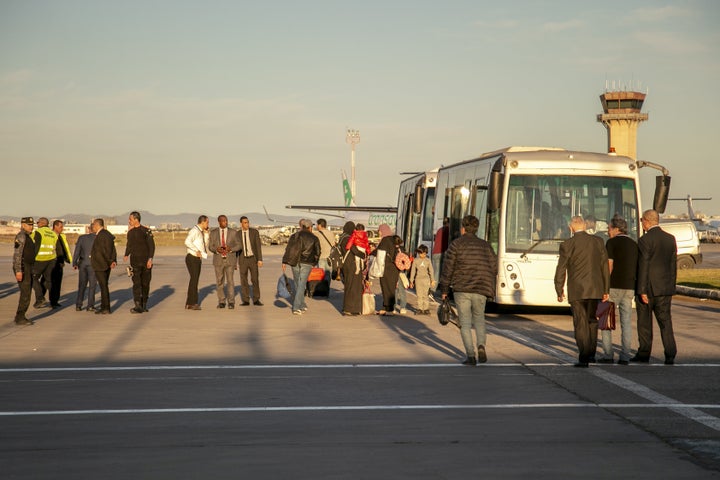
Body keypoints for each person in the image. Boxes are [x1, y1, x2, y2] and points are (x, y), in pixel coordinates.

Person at [439, 215, 498, 365]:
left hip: (461, 288)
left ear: (463, 228)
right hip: (481, 289)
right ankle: (481, 346)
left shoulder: (456, 245)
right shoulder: (486, 246)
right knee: (479, 319)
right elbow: (494, 268)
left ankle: (471, 356)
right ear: (476, 228)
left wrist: (444, 289)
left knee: (464, 323)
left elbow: (448, 268)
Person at [554, 215, 609, 368]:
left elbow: (561, 268)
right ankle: (591, 354)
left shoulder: (567, 244)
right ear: (585, 227)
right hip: (595, 288)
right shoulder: (598, 242)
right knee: (592, 321)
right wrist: (606, 289)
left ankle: (583, 356)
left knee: (580, 322)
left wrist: (559, 289)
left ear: (571, 228)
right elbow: (604, 266)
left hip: (577, 290)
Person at [632, 209, 678, 365]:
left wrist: (641, 290)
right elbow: (673, 266)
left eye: (641, 221)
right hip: (665, 289)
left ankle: (644, 353)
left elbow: (643, 266)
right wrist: (671, 286)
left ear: (646, 221)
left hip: (649, 289)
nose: (642, 224)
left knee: (645, 323)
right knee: (665, 322)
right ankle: (670, 353)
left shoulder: (645, 240)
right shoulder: (670, 239)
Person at [599, 215, 638, 365]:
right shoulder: (634, 244)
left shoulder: (611, 243)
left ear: (616, 229)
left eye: (609, 228)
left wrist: (604, 287)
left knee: (606, 321)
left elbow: (609, 266)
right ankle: (625, 356)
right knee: (626, 322)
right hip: (629, 287)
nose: (607, 231)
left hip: (613, 286)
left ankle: (608, 354)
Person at [281, 219, 321, 315]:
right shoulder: (314, 238)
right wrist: (314, 262)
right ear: (310, 227)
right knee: (301, 284)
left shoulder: (294, 236)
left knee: (297, 283)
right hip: (306, 263)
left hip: (294, 262)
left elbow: (288, 249)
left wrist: (284, 261)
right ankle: (296, 307)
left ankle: (302, 304)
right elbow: (318, 252)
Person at [124, 211, 156, 314]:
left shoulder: (146, 231)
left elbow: (151, 246)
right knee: (136, 283)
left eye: (130, 219)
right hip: (135, 262)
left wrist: (150, 259)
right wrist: (126, 254)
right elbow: (129, 245)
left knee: (145, 283)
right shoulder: (130, 232)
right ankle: (137, 305)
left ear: (136, 219)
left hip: (146, 262)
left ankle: (144, 304)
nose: (129, 221)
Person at [208, 214, 240, 309]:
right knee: (219, 281)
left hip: (230, 260)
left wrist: (231, 249)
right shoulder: (213, 233)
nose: (225, 222)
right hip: (218, 260)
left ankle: (231, 302)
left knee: (230, 281)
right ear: (219, 222)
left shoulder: (233, 232)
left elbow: (239, 245)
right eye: (223, 221)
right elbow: (210, 246)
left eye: (226, 220)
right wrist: (217, 250)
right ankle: (221, 301)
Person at [90, 218, 117, 315]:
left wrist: (110, 260)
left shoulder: (102, 235)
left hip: (101, 265)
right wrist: (113, 260)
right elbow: (112, 249)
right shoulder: (107, 234)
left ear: (97, 225)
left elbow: (106, 250)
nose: (92, 227)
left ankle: (105, 307)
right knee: (104, 286)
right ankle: (104, 306)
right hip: (104, 264)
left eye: (93, 225)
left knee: (103, 286)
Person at [13, 217, 36, 325]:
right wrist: (18, 270)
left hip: (28, 267)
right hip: (23, 267)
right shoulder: (21, 236)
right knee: (25, 292)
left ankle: (20, 316)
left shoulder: (28, 236)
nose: (31, 226)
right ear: (23, 225)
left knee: (27, 292)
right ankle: (20, 317)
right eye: (29, 225)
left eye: (32, 225)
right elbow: (18, 254)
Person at [237, 216, 264, 306]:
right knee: (243, 280)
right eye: (245, 223)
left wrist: (260, 259)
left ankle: (256, 299)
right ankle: (246, 300)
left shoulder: (254, 232)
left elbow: (258, 246)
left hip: (253, 259)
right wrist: (235, 262)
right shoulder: (237, 234)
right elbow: (235, 249)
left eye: (248, 222)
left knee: (255, 279)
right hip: (243, 259)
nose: (247, 224)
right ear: (241, 224)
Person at [373, 224, 399, 316]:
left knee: (386, 288)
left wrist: (370, 252)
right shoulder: (393, 239)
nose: (379, 232)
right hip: (395, 269)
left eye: (379, 231)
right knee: (391, 289)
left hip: (386, 268)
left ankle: (388, 309)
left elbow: (379, 253)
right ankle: (388, 308)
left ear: (383, 230)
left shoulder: (384, 240)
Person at [184, 215, 209, 310]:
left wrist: (206, 234)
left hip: (198, 258)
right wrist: (196, 250)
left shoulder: (201, 232)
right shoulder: (194, 231)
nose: (208, 224)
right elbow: (187, 242)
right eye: (207, 222)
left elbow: (205, 244)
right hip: (192, 258)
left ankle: (190, 303)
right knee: (194, 280)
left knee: (195, 280)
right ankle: (192, 302)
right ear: (202, 222)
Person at [31, 217, 57, 308]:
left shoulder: (38, 232)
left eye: (37, 222)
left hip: (39, 259)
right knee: (48, 280)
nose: (37, 224)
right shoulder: (53, 234)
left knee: (33, 278)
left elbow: (32, 246)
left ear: (41, 223)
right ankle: (53, 301)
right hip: (51, 260)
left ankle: (40, 298)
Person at [339, 221, 365, 315]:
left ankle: (348, 308)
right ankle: (351, 308)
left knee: (349, 286)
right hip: (352, 265)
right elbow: (354, 250)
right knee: (354, 287)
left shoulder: (342, 237)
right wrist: (363, 255)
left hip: (346, 265)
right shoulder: (348, 238)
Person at [73, 224, 97, 311]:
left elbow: (77, 251)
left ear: (89, 229)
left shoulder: (82, 238)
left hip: (83, 263)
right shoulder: (98, 238)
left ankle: (78, 305)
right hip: (93, 264)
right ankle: (90, 305)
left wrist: (74, 262)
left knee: (82, 285)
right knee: (92, 285)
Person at [49, 220, 73, 308]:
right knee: (52, 283)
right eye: (60, 227)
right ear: (55, 226)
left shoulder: (62, 236)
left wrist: (66, 259)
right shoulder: (50, 236)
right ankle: (50, 300)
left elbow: (64, 248)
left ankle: (55, 301)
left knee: (58, 283)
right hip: (52, 263)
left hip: (60, 263)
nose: (62, 229)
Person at [409, 244, 435, 314]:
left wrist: (432, 280)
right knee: (419, 295)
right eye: (420, 253)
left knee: (426, 295)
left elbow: (431, 270)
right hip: (418, 280)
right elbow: (413, 271)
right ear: (418, 253)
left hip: (426, 280)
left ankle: (426, 308)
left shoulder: (428, 261)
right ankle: (420, 308)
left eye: (424, 254)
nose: (422, 255)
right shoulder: (416, 260)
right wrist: (411, 281)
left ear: (426, 253)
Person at [432, 217, 449, 284]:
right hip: (441, 253)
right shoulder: (447, 230)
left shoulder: (439, 230)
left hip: (435, 252)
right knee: (438, 273)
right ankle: (432, 289)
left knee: (435, 271)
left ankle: (432, 286)